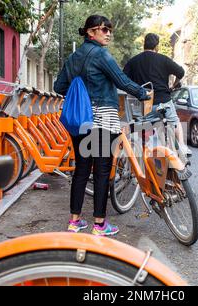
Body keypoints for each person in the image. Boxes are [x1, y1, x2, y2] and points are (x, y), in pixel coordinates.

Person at [54, 15, 150, 236]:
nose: (108, 33)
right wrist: (144, 93)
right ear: (90, 32)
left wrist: (79, 90)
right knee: (102, 171)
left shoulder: (73, 58)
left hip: (79, 121)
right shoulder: (101, 54)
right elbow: (122, 82)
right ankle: (99, 225)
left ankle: (74, 221)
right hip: (102, 120)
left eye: (110, 29)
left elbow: (59, 86)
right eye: (103, 29)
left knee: (81, 170)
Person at [123, 33, 191, 156]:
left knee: (143, 129)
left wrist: (135, 90)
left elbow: (124, 80)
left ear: (144, 44)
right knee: (174, 121)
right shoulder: (163, 59)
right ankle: (182, 146)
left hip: (145, 105)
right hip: (163, 101)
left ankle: (147, 155)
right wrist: (173, 86)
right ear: (157, 46)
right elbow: (181, 72)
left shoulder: (133, 61)